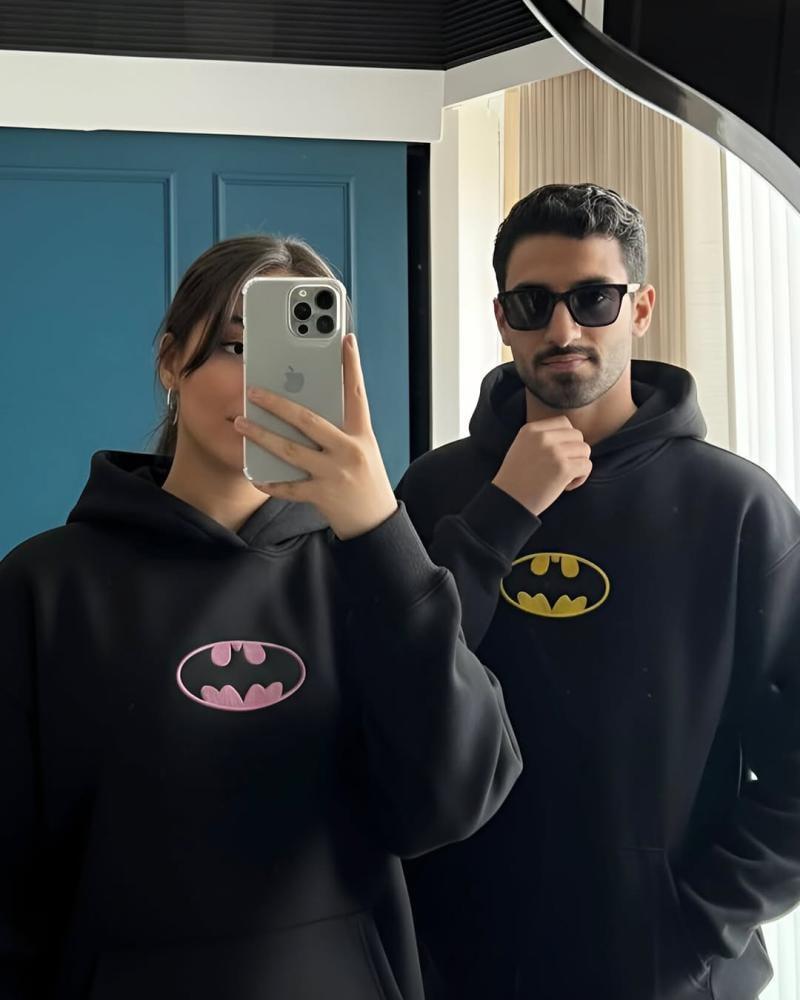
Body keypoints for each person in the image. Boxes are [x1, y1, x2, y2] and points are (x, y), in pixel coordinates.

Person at [0, 234, 522, 1000]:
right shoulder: (46, 588)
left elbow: (452, 803)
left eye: (291, 357)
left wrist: (380, 529)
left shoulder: (370, 572)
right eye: (236, 347)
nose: (261, 386)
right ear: (171, 361)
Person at [398, 183, 800, 1000]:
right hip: (460, 970)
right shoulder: (435, 492)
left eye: (593, 299)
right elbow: (393, 698)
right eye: (532, 303)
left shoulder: (737, 507)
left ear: (640, 308)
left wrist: (700, 927)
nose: (562, 330)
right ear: (502, 317)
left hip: (669, 972)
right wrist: (501, 510)